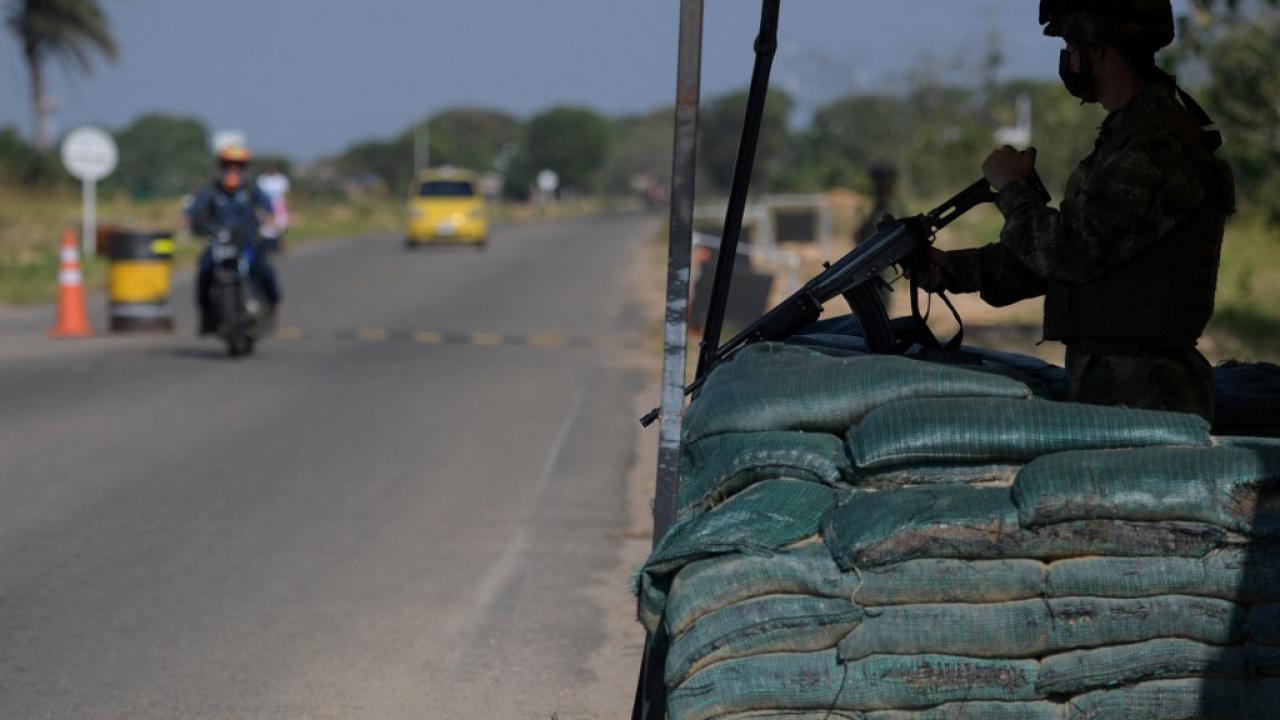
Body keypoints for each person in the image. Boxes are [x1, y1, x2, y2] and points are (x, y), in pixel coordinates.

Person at [921, 0, 1235, 421]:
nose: (1066, 60)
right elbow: (1076, 257)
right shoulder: (1129, 134)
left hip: (1147, 393)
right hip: (1120, 382)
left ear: (1097, 48)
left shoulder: (1155, 144)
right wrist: (955, 269)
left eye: (1070, 45)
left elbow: (1070, 251)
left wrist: (1011, 188)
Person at [187, 144, 282, 334]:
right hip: (219, 243)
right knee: (204, 271)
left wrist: (271, 223)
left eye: (238, 166)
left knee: (265, 269)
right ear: (221, 167)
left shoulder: (251, 190)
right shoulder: (211, 191)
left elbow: (269, 210)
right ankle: (206, 316)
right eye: (228, 165)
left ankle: (272, 305)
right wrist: (191, 224)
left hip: (248, 242)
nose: (233, 170)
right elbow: (192, 213)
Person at [256, 163, 291, 253]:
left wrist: (287, 206)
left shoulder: (281, 179)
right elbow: (258, 194)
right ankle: (266, 247)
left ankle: (280, 246)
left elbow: (286, 193)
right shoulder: (262, 180)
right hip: (266, 205)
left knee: (280, 226)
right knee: (266, 227)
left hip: (279, 205)